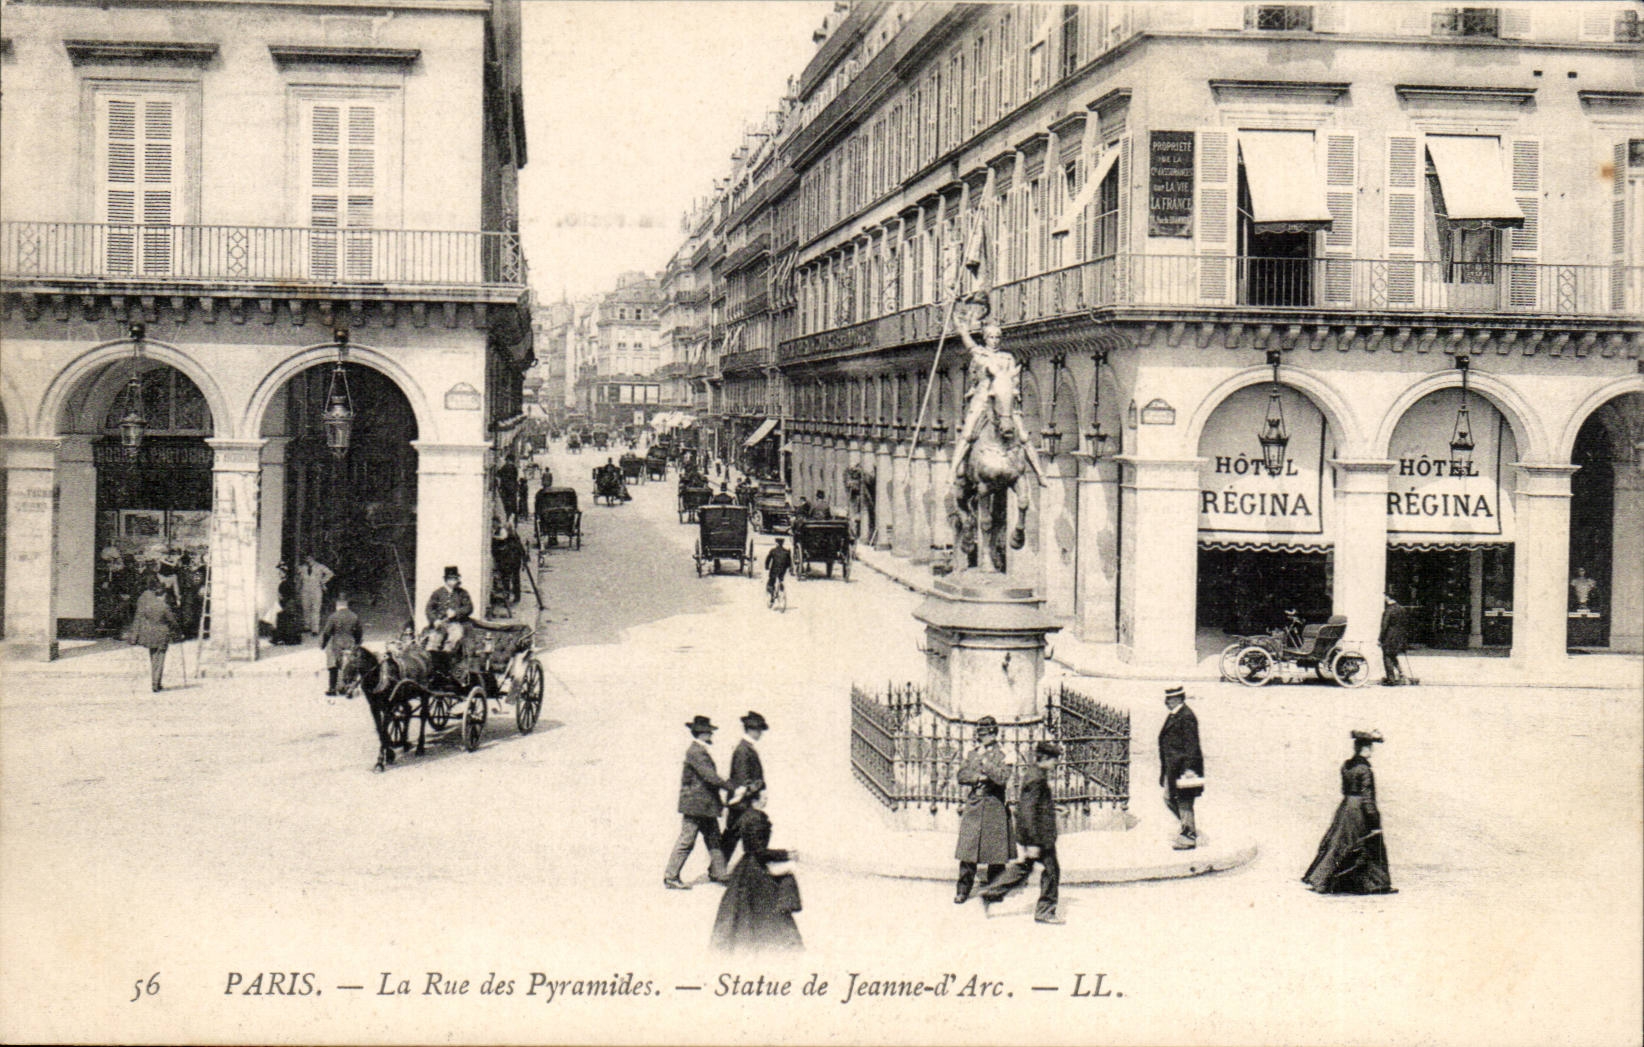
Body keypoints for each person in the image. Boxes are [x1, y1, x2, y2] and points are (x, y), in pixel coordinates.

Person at [952, 312, 1045, 485]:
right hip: (982, 400)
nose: (994, 340)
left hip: (1004, 403)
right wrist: (962, 329)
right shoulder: (980, 354)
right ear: (985, 338)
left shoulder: (1007, 358)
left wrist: (1013, 392)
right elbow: (969, 344)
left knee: (1023, 436)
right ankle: (953, 471)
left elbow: (1014, 380)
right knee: (968, 433)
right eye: (991, 337)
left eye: (997, 337)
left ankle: (1040, 474)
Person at [710, 785, 803, 953]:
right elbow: (759, 851)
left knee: (742, 912)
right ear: (755, 800)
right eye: (763, 797)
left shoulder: (746, 816)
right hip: (756, 870)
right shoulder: (757, 818)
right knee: (769, 911)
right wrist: (786, 854)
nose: (766, 799)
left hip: (745, 868)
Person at [980, 741, 1064, 924]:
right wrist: (1033, 843)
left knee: (1024, 868)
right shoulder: (1036, 778)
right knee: (1051, 871)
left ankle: (991, 893)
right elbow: (1027, 810)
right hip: (1039, 838)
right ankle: (1045, 911)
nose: (1056, 763)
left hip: (1039, 836)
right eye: (1054, 759)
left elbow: (1037, 805)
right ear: (1046, 759)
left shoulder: (1037, 774)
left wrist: (1054, 808)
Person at [1304, 730, 1396, 895]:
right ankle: (1375, 884)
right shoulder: (1365, 770)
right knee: (1371, 843)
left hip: (1346, 807)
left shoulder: (1346, 766)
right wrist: (1374, 821)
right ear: (1364, 748)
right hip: (1358, 810)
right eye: (1369, 747)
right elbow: (1368, 799)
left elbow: (1344, 789)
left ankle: (1322, 879)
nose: (1371, 751)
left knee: (1339, 843)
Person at [664, 715, 738, 889]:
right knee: (687, 840)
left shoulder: (698, 750)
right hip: (696, 807)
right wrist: (731, 787)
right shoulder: (696, 752)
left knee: (714, 839)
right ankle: (670, 877)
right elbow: (710, 776)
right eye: (709, 732)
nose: (711, 735)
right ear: (703, 733)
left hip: (705, 806)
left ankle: (719, 873)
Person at [954, 715, 1015, 903]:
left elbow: (1003, 777)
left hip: (995, 804)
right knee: (968, 850)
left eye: (987, 734)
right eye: (980, 734)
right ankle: (963, 889)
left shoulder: (1005, 753)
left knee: (996, 852)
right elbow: (962, 775)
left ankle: (994, 889)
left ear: (995, 734)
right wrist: (978, 778)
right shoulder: (972, 753)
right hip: (975, 804)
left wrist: (986, 766)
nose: (983, 738)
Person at [1159, 685, 1205, 850]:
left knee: (1184, 801)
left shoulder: (1186, 717)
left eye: (1169, 699)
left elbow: (1192, 747)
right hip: (1173, 768)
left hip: (1184, 769)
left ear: (1178, 699)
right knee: (1169, 798)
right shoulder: (1175, 715)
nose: (1166, 702)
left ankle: (1189, 836)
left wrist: (1188, 772)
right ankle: (1188, 827)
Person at [721, 711, 768, 865]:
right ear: (751, 730)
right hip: (742, 800)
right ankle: (718, 870)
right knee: (734, 835)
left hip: (743, 799)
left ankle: (717, 869)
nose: (760, 733)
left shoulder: (746, 748)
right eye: (759, 730)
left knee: (732, 834)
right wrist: (754, 794)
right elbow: (742, 779)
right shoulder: (743, 750)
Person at [128, 578, 178, 692]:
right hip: (162, 635)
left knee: (153, 658)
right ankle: (156, 683)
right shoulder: (164, 606)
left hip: (150, 634)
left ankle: (155, 682)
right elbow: (172, 621)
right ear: (161, 593)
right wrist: (179, 633)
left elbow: (139, 617)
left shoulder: (146, 603)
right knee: (160, 659)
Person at [319, 592, 363, 696]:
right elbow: (359, 632)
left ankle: (332, 688)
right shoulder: (354, 616)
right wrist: (357, 643)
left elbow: (327, 632)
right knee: (351, 665)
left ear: (337, 605)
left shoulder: (333, 616)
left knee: (333, 664)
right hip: (350, 643)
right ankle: (349, 686)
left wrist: (323, 644)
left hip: (337, 644)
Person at [424, 566, 474, 656]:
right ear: (445, 579)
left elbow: (469, 607)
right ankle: (432, 658)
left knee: (455, 636)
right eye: (451, 579)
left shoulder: (462, 593)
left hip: (455, 623)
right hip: (440, 624)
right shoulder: (437, 593)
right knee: (433, 639)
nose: (454, 581)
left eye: (455, 578)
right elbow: (429, 609)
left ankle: (446, 656)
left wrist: (456, 612)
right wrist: (435, 620)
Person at [1379, 592, 1411, 686]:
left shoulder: (1389, 610)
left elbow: (1384, 626)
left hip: (1390, 637)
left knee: (1387, 657)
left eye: (1385, 597)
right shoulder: (1402, 609)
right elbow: (1406, 624)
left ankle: (1391, 679)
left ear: (1388, 598)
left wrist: (1380, 638)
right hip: (1400, 637)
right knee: (1393, 655)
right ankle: (1402, 674)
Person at [298, 555, 334, 635]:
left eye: (310, 558)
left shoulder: (320, 566)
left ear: (313, 558)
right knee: (306, 609)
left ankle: (315, 629)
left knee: (315, 609)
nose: (308, 560)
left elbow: (330, 573)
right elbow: (299, 577)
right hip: (305, 590)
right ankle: (307, 626)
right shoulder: (303, 567)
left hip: (316, 590)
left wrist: (322, 581)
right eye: (306, 558)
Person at [272, 562, 306, 645]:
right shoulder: (288, 582)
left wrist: (283, 602)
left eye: (280, 572)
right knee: (285, 620)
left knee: (284, 619)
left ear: (284, 573)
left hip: (288, 603)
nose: (279, 574)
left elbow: (284, 595)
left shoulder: (285, 583)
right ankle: (285, 638)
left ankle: (284, 638)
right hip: (288, 603)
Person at [491, 522, 524, 606]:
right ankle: (515, 597)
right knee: (514, 579)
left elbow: (501, 548)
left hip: (509, 561)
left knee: (507, 579)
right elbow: (521, 549)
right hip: (515, 561)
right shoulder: (515, 537)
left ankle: (508, 597)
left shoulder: (506, 538)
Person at [764, 537, 793, 605]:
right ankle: (781, 587)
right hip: (783, 570)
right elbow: (789, 562)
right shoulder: (786, 552)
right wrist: (789, 568)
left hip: (774, 569)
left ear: (776, 543)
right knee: (780, 579)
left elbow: (767, 560)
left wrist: (766, 567)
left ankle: (771, 598)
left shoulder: (773, 551)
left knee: (771, 581)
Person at [497, 455, 519, 520]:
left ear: (508, 460)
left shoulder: (505, 467)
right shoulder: (514, 468)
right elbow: (515, 477)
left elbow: (499, 474)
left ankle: (507, 518)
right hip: (513, 488)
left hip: (505, 488)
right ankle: (514, 521)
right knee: (513, 505)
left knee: (506, 505)